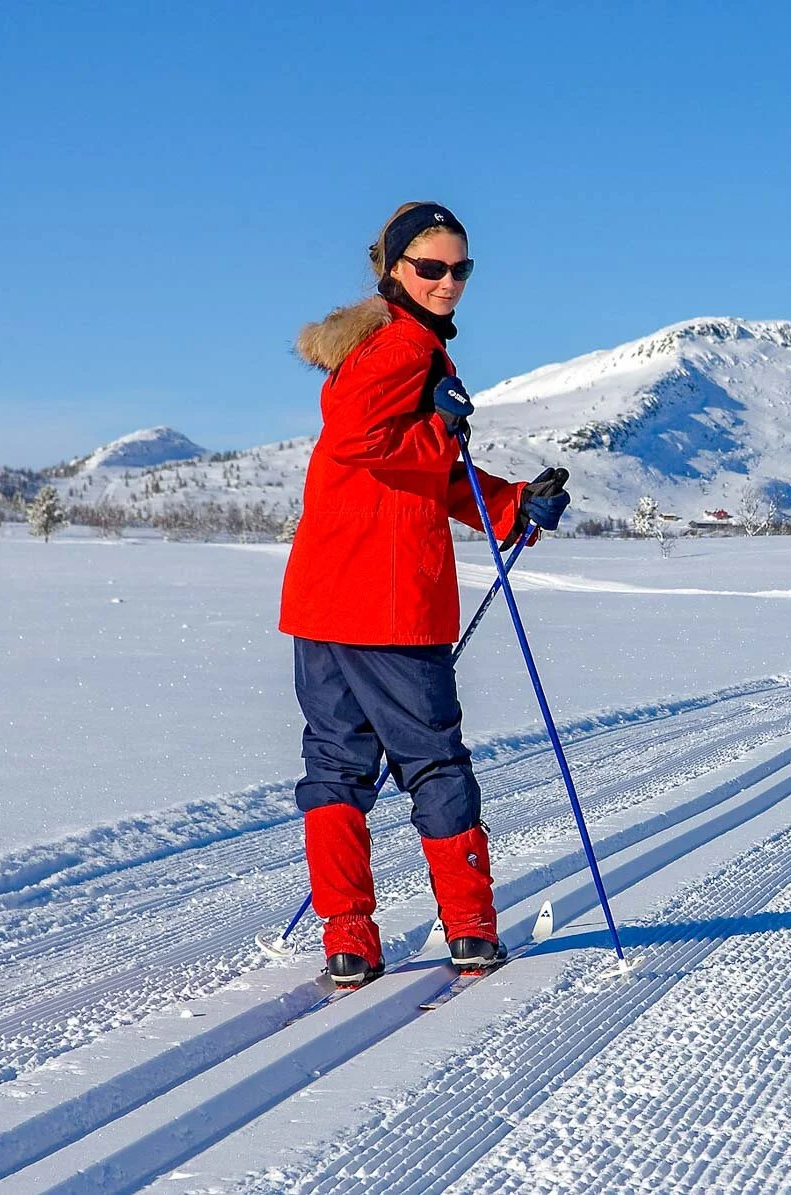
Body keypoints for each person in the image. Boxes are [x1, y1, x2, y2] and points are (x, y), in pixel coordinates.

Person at [280, 201, 571, 987]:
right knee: (434, 763)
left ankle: (348, 941)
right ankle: (472, 930)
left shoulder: (381, 343)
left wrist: (509, 504)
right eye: (431, 268)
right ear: (394, 271)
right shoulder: (404, 345)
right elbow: (362, 441)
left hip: (324, 596)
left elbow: (410, 473)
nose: (448, 283)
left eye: (460, 269)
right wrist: (444, 430)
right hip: (389, 598)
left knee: (336, 766)